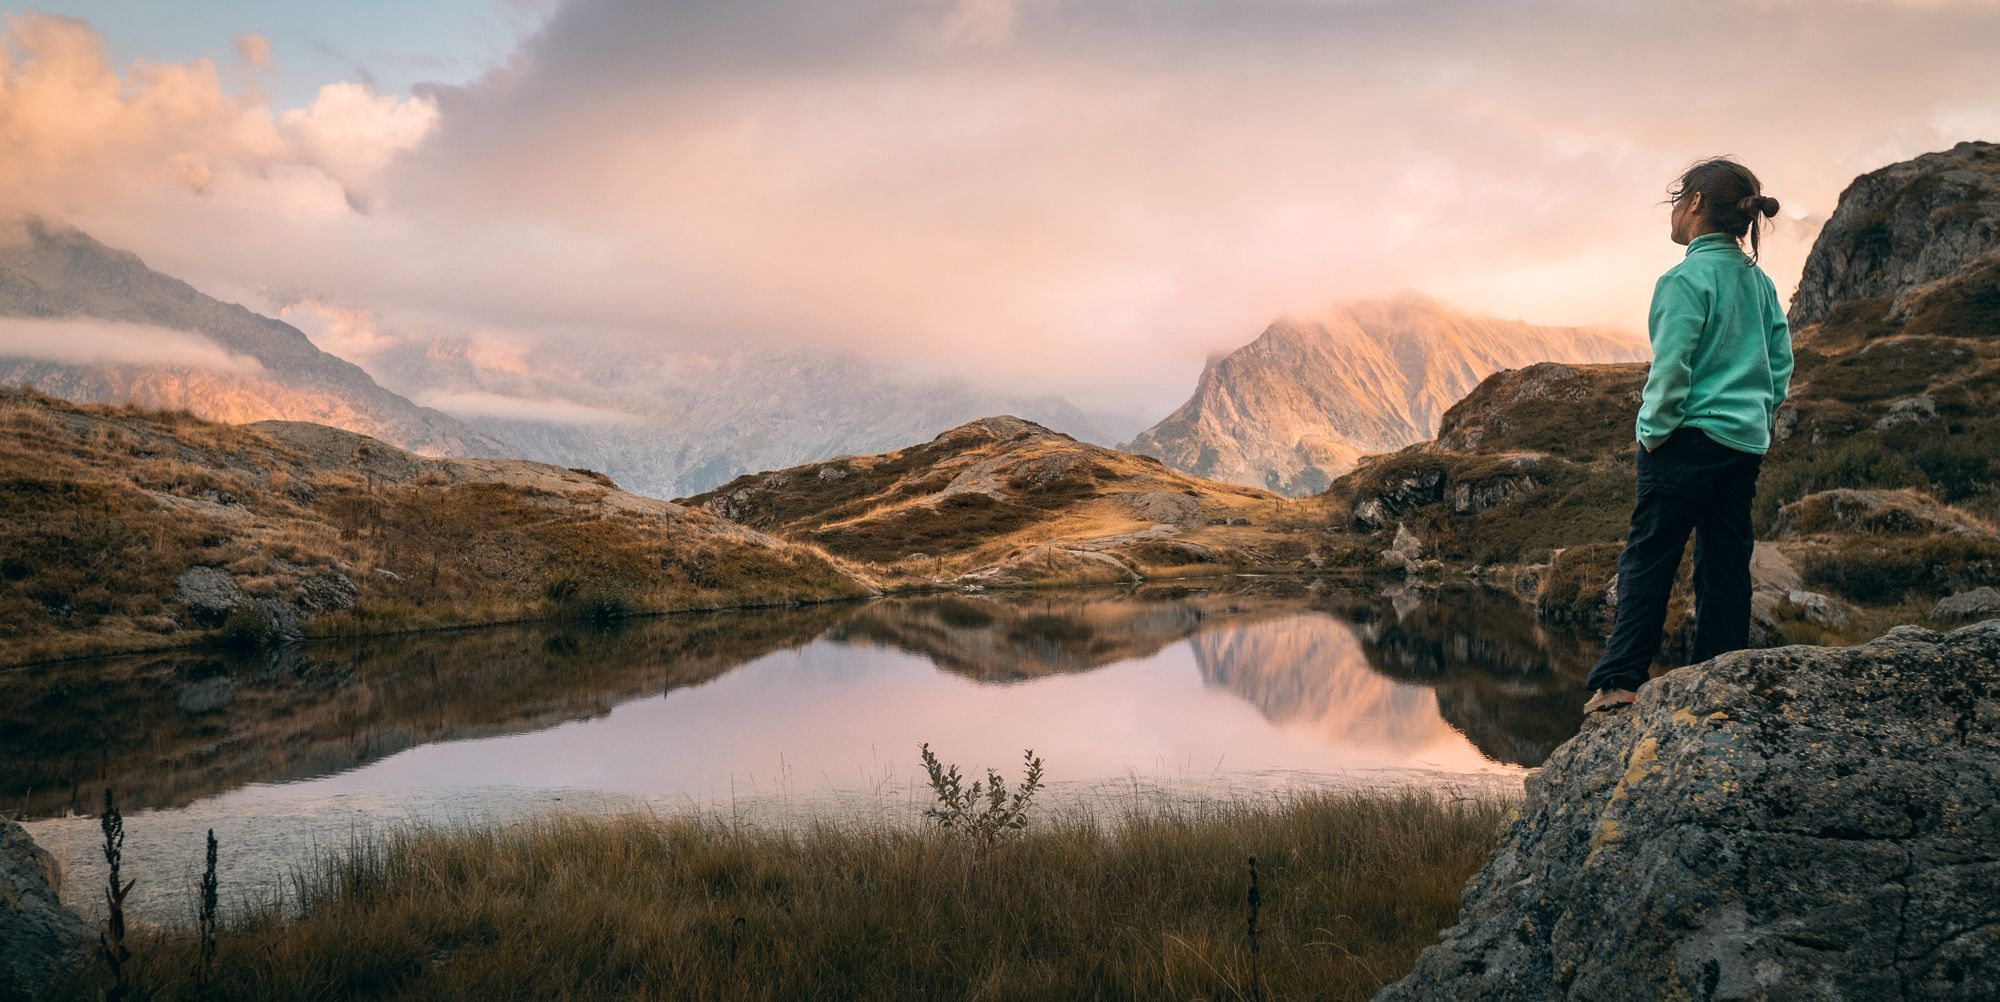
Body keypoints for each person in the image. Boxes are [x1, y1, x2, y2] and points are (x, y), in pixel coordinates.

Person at [1582, 157, 1793, 715]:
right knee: (1725, 560)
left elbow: (1671, 369)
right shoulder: (1761, 283)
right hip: (1743, 446)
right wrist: (1759, 417)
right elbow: (1780, 363)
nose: (1673, 209)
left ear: (1696, 203)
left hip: (1684, 443)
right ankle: (1719, 676)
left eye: (1678, 197)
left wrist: (1651, 433)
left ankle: (1621, 680)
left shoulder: (1682, 280)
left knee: (1650, 556)